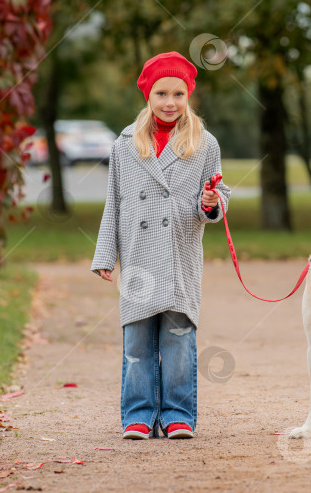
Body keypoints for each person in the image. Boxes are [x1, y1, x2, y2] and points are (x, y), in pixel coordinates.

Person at [90, 51, 231, 440]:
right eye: (161, 93)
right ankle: (137, 414)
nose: (170, 103)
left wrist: (211, 203)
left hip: (179, 254)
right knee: (136, 340)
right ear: (147, 96)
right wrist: (106, 254)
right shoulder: (124, 145)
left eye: (179, 94)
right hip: (137, 255)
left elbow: (219, 195)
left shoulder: (205, 143)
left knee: (178, 339)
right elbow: (113, 201)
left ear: (189, 97)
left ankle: (177, 415)